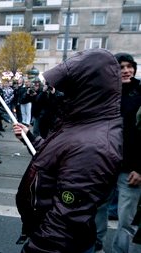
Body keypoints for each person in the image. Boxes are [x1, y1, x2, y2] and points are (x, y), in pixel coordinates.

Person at [13, 48, 122, 253]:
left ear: (84, 90)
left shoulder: (93, 145)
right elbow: (58, 157)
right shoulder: (81, 124)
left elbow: (64, 223)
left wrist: (34, 249)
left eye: (66, 88)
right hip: (49, 234)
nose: (60, 94)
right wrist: (31, 137)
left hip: (57, 244)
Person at [109, 52, 141, 253]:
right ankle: (95, 243)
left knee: (127, 219)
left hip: (130, 169)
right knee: (97, 210)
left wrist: (140, 168)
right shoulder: (105, 92)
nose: (126, 70)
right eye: (121, 67)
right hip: (105, 164)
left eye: (129, 66)